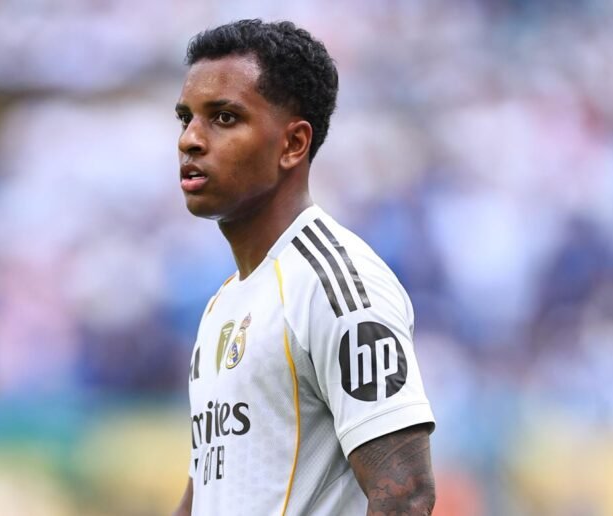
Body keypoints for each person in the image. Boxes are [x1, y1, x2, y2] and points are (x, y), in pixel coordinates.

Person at [171, 19, 436, 516]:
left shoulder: (336, 282)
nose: (190, 139)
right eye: (186, 118)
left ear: (293, 144)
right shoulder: (223, 304)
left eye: (224, 118)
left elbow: (404, 493)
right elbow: (206, 493)